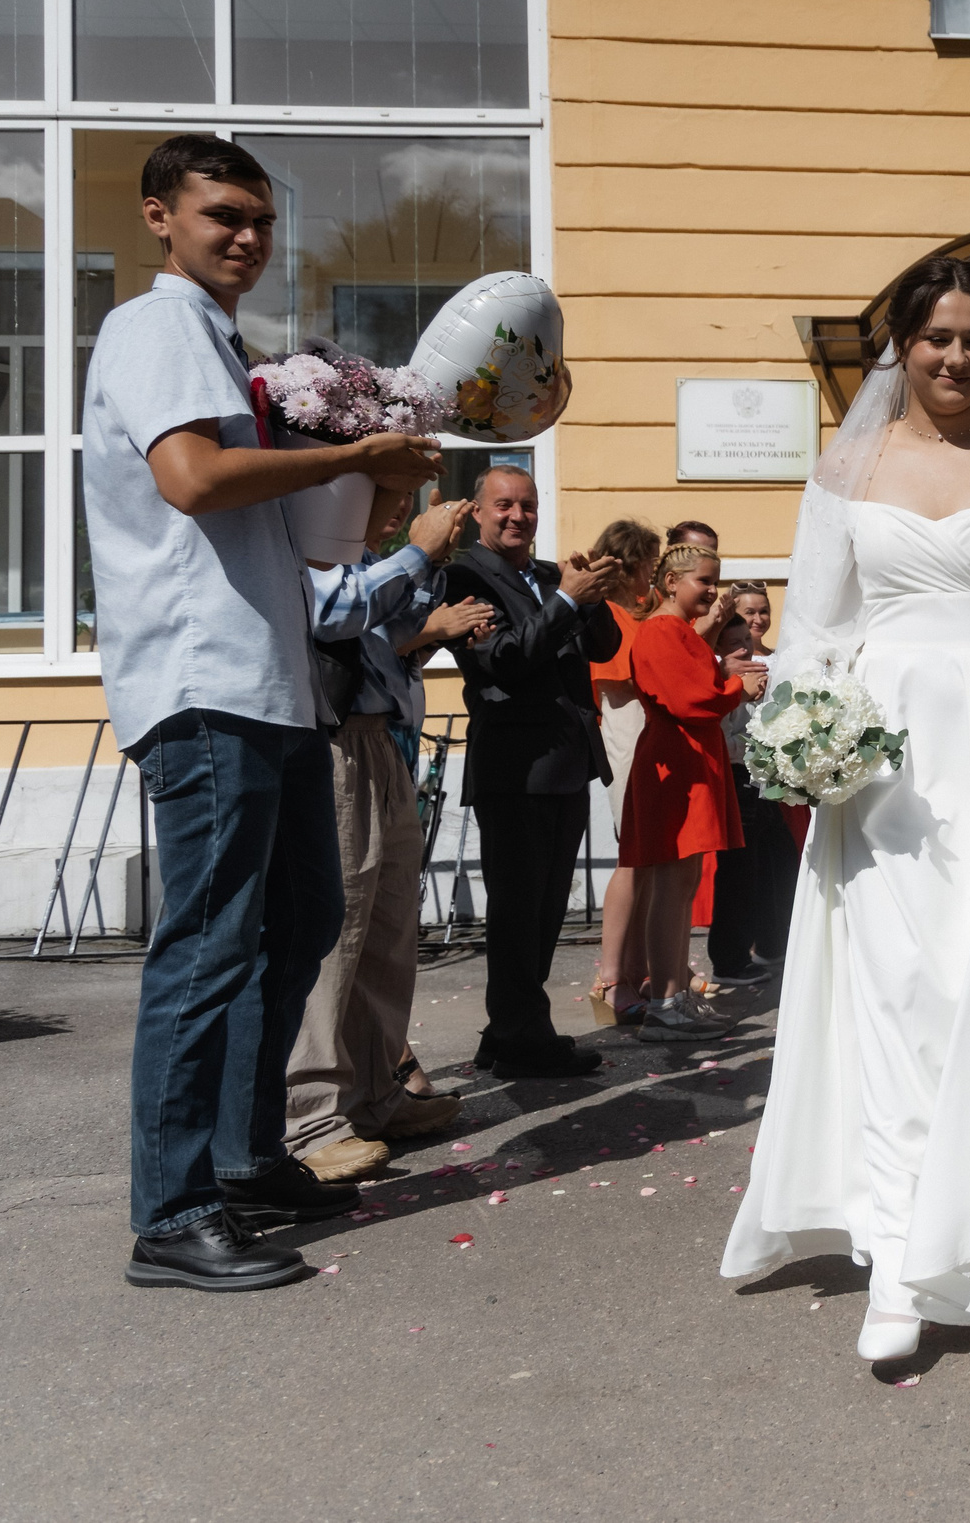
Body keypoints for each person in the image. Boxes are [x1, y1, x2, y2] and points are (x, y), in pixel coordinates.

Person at [722, 256, 970, 1364]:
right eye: (934, 337)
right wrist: (808, 742)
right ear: (900, 343)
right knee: (894, 989)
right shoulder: (850, 465)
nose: (955, 358)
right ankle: (899, 1255)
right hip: (881, 758)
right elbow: (812, 630)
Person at [86, 134, 441, 1291]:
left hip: (271, 680)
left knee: (295, 921)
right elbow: (190, 478)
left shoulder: (224, 343)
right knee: (208, 943)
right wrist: (349, 450)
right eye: (220, 215)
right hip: (202, 683)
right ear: (159, 217)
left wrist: (370, 479)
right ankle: (172, 1210)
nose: (245, 236)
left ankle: (242, 1162)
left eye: (260, 220)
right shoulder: (156, 326)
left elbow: (296, 532)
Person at [286, 489, 492, 1182]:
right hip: (337, 743)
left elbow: (399, 635)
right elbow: (333, 613)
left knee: (386, 927)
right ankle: (311, 1117)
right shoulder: (315, 546)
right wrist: (420, 551)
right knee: (335, 931)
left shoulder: (370, 559)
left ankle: (373, 1093)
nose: (402, 501)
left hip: (382, 740)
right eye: (388, 486)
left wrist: (428, 576)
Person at [442, 466, 622, 1080]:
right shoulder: (464, 575)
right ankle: (523, 1036)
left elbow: (598, 650)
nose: (517, 517)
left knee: (546, 912)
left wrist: (588, 596)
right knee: (519, 910)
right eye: (504, 507)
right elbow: (505, 659)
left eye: (528, 506)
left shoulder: (547, 575)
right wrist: (569, 600)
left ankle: (507, 1030)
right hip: (516, 768)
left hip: (566, 764)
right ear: (478, 512)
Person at [619, 543, 761, 1042]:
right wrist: (733, 691)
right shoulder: (660, 630)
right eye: (704, 580)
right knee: (671, 887)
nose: (712, 590)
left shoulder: (676, 630)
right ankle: (663, 1003)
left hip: (690, 758)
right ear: (672, 581)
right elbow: (687, 698)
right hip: (676, 762)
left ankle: (675, 997)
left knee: (681, 887)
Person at [583, 518, 663, 1031]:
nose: (652, 578)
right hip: (627, 731)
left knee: (647, 859)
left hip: (640, 731)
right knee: (633, 858)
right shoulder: (608, 615)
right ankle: (613, 980)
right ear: (629, 566)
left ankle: (636, 973)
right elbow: (625, 682)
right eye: (648, 567)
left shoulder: (632, 611)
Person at [707, 581, 796, 987]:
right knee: (739, 869)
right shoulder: (719, 668)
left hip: (764, 777)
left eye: (763, 613)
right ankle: (729, 959)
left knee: (774, 861)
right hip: (736, 771)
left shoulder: (774, 662)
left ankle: (772, 946)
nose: (756, 623)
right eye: (744, 622)